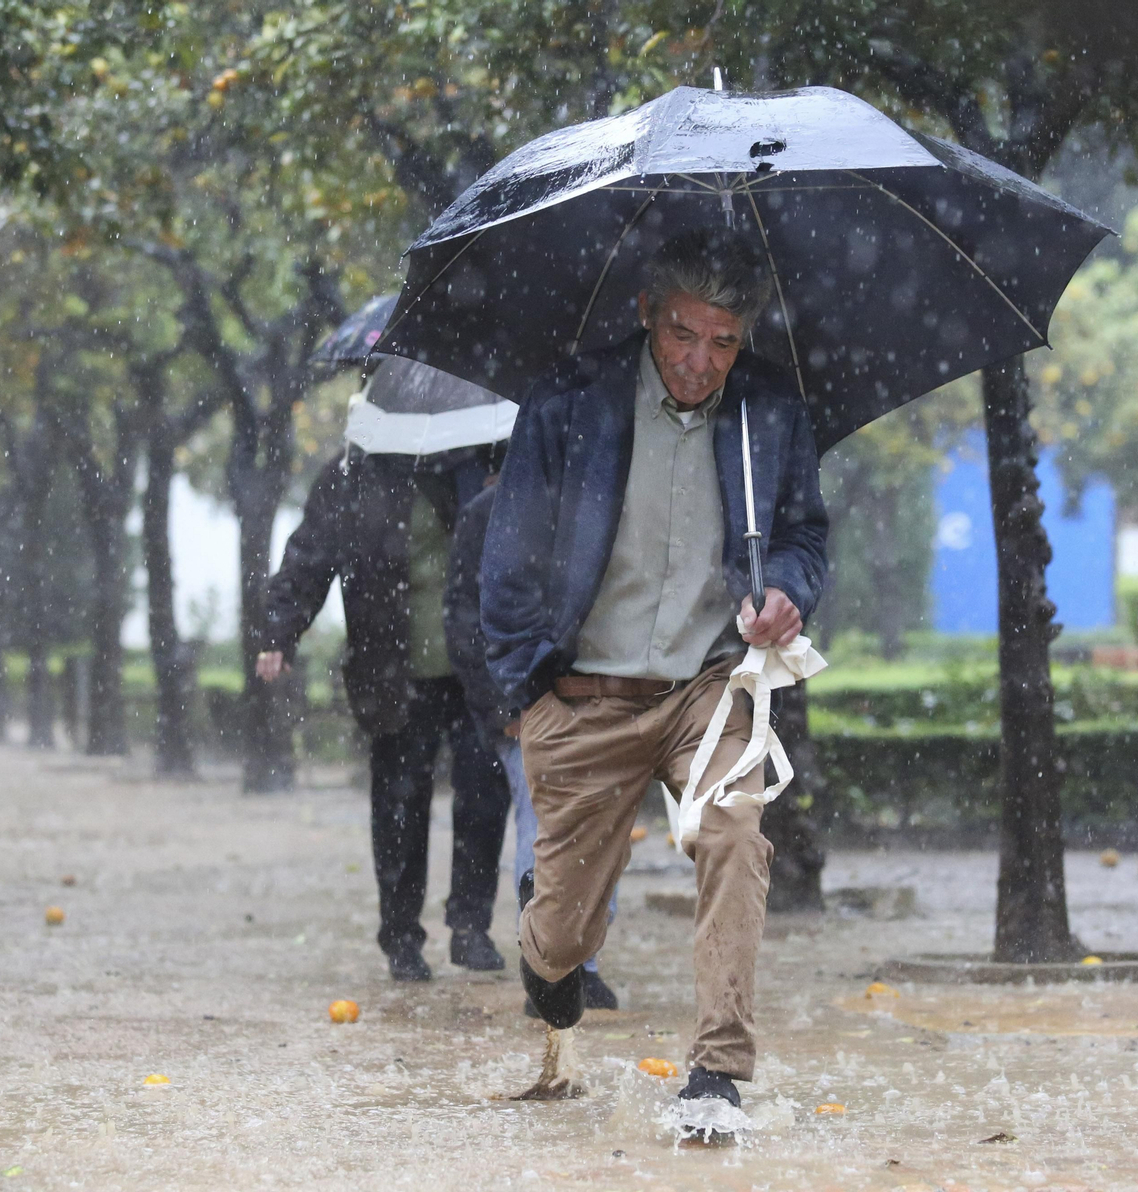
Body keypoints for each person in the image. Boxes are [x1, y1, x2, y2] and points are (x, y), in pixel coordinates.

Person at [480, 228, 828, 1119]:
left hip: (706, 691)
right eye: (682, 333)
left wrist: (784, 590)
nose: (700, 361)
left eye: (723, 340)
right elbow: (508, 552)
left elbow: (802, 537)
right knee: (561, 940)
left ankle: (717, 1073)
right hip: (583, 694)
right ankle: (544, 942)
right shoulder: (567, 401)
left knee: (734, 837)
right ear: (645, 314)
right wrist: (524, 687)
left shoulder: (766, 413)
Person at [257, 444, 511, 983]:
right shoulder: (351, 474)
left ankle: (470, 923)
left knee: (484, 792)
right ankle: (400, 935)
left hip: (476, 669)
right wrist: (281, 629)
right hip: (392, 669)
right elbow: (309, 558)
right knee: (399, 803)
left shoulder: (483, 458)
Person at [443, 475, 621, 1016]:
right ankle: (551, 963)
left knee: (602, 822)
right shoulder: (488, 512)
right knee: (541, 822)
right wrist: (502, 705)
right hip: (524, 701)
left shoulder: (602, 496)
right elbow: (466, 615)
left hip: (601, 692)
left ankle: (580, 958)